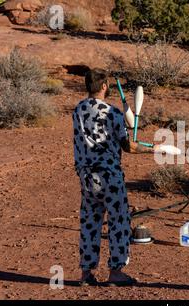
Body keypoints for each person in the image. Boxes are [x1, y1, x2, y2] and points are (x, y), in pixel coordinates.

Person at [73, 68, 151, 286]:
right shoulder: (113, 113)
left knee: (90, 222)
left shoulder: (77, 110)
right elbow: (128, 146)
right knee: (119, 222)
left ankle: (86, 274)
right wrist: (153, 149)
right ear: (105, 86)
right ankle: (116, 272)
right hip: (110, 176)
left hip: (87, 177)